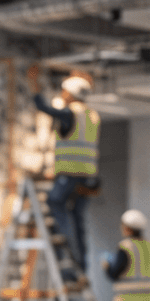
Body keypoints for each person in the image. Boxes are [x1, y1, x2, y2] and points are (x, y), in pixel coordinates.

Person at [33, 74, 100, 282]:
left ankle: (70, 268)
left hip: (69, 174)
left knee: (57, 206)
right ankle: (81, 268)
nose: (62, 95)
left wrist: (34, 86)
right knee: (78, 220)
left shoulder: (69, 113)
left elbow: (44, 108)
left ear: (70, 94)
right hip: (88, 176)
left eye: (64, 92)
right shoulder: (92, 115)